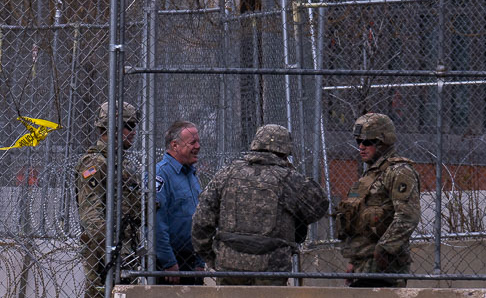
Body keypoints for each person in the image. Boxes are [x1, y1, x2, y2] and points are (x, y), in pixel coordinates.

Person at [70, 100, 143, 298]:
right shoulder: (95, 163)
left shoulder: (121, 164)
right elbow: (92, 215)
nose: (133, 134)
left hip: (123, 252)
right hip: (106, 256)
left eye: (134, 127)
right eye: (128, 127)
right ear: (110, 129)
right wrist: (110, 254)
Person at [191, 124, 328, 285]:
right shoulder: (288, 179)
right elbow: (319, 205)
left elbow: (201, 221)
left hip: (229, 263)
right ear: (285, 151)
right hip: (272, 267)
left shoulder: (226, 174)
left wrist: (211, 257)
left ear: (255, 145)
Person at [334, 112, 420, 287]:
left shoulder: (399, 171)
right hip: (363, 265)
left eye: (368, 142)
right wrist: (353, 260)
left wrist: (385, 249)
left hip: (384, 267)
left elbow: (407, 216)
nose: (361, 147)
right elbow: (356, 219)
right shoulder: (369, 176)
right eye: (358, 142)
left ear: (383, 142)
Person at [155, 120, 204, 284]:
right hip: (171, 265)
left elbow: (200, 220)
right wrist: (168, 262)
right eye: (192, 142)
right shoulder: (162, 175)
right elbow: (156, 223)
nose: (198, 146)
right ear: (175, 145)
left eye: (198, 141)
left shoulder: (191, 175)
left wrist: (200, 261)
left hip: (191, 261)